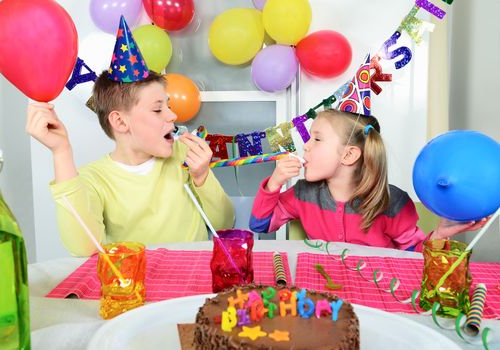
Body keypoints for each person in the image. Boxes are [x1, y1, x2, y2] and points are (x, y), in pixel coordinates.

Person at [26, 17, 234, 257]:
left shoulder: (185, 158)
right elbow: (83, 248)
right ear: (120, 122)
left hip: (193, 280)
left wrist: (202, 177)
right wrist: (61, 151)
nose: (173, 115)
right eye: (158, 109)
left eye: (168, 105)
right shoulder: (95, 179)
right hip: (135, 289)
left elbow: (224, 224)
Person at [249, 109, 486, 251]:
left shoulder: (392, 203)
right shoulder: (303, 194)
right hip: (326, 298)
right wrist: (275, 182)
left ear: (349, 154)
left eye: (317, 139)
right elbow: (260, 225)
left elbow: (415, 256)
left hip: (380, 295)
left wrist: (440, 234)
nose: (306, 146)